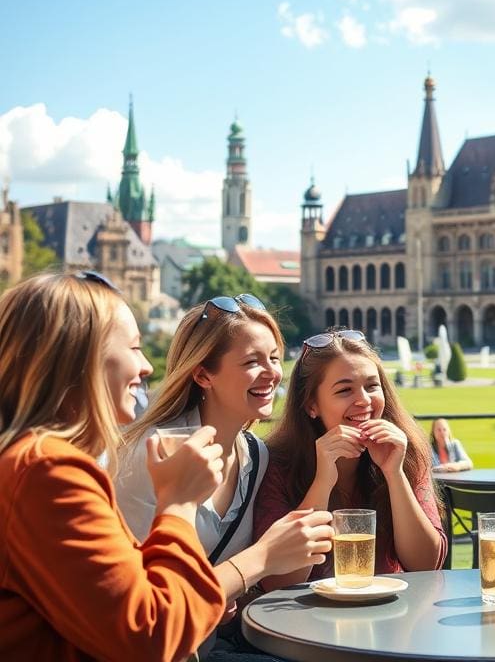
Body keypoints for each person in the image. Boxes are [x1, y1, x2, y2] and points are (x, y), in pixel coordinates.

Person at [0, 272, 225, 660]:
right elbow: (151, 636)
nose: (146, 367)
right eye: (134, 348)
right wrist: (179, 504)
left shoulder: (33, 461)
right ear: (79, 357)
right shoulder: (47, 470)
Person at [116, 294, 333, 657]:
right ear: (202, 374)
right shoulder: (150, 454)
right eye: (252, 361)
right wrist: (262, 556)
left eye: (275, 358)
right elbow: (137, 597)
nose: (272, 373)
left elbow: (218, 584)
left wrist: (231, 591)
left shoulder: (256, 456)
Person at [253, 329, 446, 591]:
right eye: (345, 390)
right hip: (304, 621)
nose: (364, 401)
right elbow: (280, 580)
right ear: (312, 405)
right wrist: (323, 480)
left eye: (371, 386)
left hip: (390, 619)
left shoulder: (405, 451)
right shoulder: (275, 462)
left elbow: (425, 565)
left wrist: (394, 474)